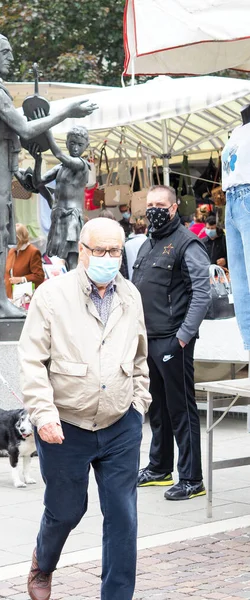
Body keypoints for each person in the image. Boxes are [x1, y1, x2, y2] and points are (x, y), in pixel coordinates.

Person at [19, 217, 151, 600]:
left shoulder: (130, 296)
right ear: (83, 251)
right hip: (65, 424)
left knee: (123, 517)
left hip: (119, 422)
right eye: (101, 251)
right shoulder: (52, 295)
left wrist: (138, 404)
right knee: (66, 510)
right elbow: (31, 361)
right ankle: (43, 563)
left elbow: (140, 357)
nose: (109, 258)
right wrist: (43, 415)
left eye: (115, 251)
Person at [0, 32, 97, 318]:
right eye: (5, 51)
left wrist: (20, 170)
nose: (11, 57)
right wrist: (68, 112)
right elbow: (25, 130)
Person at [132, 185, 211, 501]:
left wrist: (183, 337)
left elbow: (201, 294)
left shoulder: (187, 243)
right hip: (148, 340)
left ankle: (192, 478)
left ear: (175, 207)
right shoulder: (147, 244)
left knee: (181, 409)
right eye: (150, 204)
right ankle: (159, 468)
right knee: (159, 409)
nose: (154, 209)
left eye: (160, 204)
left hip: (172, 341)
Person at [32, 126, 90, 271]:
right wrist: (38, 161)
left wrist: (47, 131)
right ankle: (70, 286)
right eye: (72, 143)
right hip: (59, 215)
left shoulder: (81, 165)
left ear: (86, 146)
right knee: (63, 257)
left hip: (72, 216)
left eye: (80, 145)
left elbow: (58, 154)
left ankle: (75, 287)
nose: (75, 148)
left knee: (73, 257)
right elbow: (38, 182)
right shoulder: (61, 167)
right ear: (67, 143)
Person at [5, 223, 45, 299]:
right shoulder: (12, 251)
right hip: (9, 296)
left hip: (23, 296)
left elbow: (39, 276)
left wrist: (22, 279)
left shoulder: (33, 252)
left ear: (19, 238)